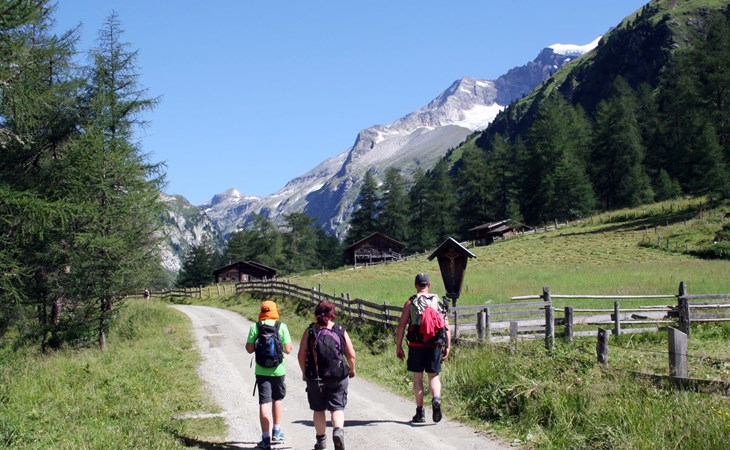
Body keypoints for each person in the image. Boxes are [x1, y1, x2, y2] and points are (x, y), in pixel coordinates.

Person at [298, 300, 356, 450]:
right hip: (337, 376)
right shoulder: (340, 330)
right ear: (333, 314)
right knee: (337, 408)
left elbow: (301, 354)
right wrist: (352, 369)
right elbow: (351, 355)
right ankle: (338, 432)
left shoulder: (310, 331)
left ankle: (321, 441)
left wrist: (305, 372)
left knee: (318, 409)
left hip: (315, 375)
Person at [395, 273, 451, 424]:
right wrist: (448, 345)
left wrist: (398, 346)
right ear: (428, 285)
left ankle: (420, 413)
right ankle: (436, 398)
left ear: (416, 285)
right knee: (434, 376)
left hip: (416, 345)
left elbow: (401, 326)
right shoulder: (437, 302)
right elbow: (446, 326)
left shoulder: (411, 302)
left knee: (417, 378)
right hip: (435, 344)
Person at [245, 300, 293, 450]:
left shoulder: (255, 327)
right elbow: (288, 350)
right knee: (277, 399)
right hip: (278, 370)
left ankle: (265, 438)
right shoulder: (281, 326)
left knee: (264, 402)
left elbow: (249, 349)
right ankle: (276, 431)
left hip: (261, 370)